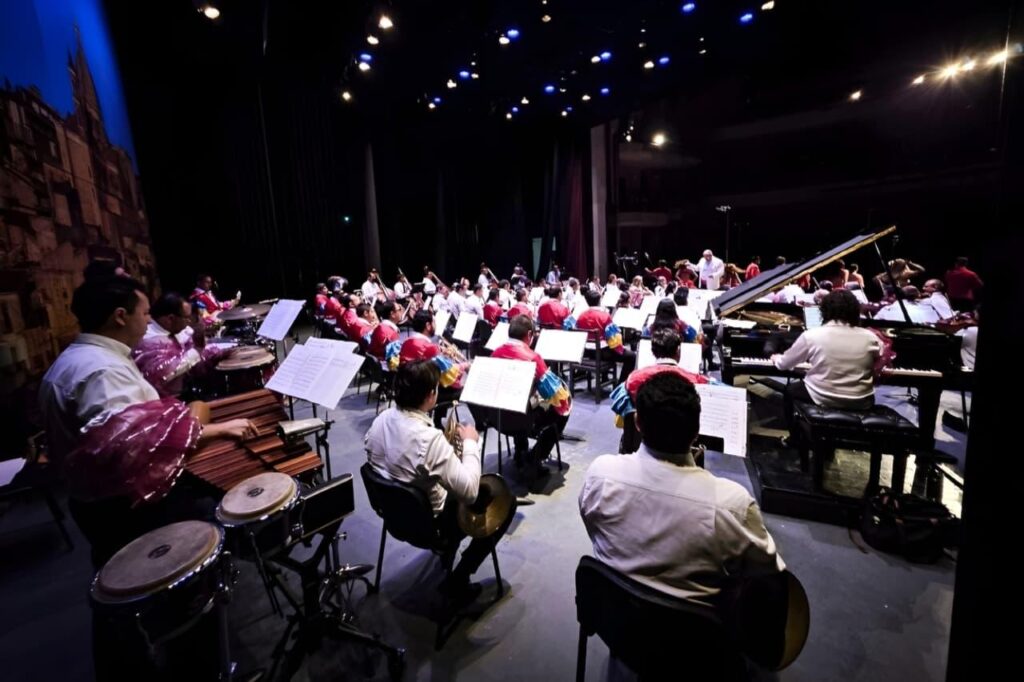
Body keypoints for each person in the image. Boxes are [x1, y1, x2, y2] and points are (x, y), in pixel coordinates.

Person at [39, 276, 256, 565]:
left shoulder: (80, 358)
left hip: (101, 501)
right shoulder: (101, 372)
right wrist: (219, 430)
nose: (148, 321)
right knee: (232, 515)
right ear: (120, 316)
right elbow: (130, 447)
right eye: (144, 314)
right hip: (124, 509)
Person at [580, 372, 784, 602]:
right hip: (694, 624)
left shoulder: (599, 475)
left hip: (611, 611)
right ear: (697, 431)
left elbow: (594, 528)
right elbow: (767, 571)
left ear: (637, 423)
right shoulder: (733, 505)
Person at [365, 360, 511, 606]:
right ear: (430, 395)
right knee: (505, 501)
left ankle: (449, 556)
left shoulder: (381, 419)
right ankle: (460, 578)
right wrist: (470, 443)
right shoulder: (429, 439)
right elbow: (470, 492)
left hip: (393, 515)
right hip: (432, 526)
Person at [771, 290, 887, 438]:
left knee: (790, 390)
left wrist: (776, 357)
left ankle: (796, 438)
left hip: (822, 396)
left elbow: (784, 364)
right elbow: (879, 361)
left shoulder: (812, 335)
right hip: (862, 400)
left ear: (824, 311)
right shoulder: (871, 337)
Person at [490, 316, 573, 479]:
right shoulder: (533, 358)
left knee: (519, 402)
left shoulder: (495, 353)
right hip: (523, 420)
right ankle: (535, 457)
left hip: (498, 418)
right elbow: (555, 395)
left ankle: (520, 449)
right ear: (529, 334)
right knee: (562, 412)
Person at [611, 329, 708, 453]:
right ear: (678, 351)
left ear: (652, 352)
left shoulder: (633, 379)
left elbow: (624, 415)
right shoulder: (696, 380)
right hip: (680, 445)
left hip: (642, 442)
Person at [131, 292, 228, 398]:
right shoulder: (147, 340)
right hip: (167, 400)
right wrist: (197, 349)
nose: (189, 322)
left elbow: (193, 357)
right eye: (186, 318)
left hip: (188, 389)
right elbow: (163, 373)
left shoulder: (177, 331)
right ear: (170, 319)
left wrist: (221, 352)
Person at [571, 290, 636, 378]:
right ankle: (621, 383)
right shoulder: (604, 316)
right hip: (602, 353)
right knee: (631, 356)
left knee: (607, 345)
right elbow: (613, 339)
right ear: (599, 300)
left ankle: (605, 378)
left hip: (586, 352)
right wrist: (621, 348)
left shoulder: (581, 316)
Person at [873, 286, 940, 324]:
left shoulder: (886, 310)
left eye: (885, 295)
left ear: (894, 296)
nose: (883, 298)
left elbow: (873, 325)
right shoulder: (928, 308)